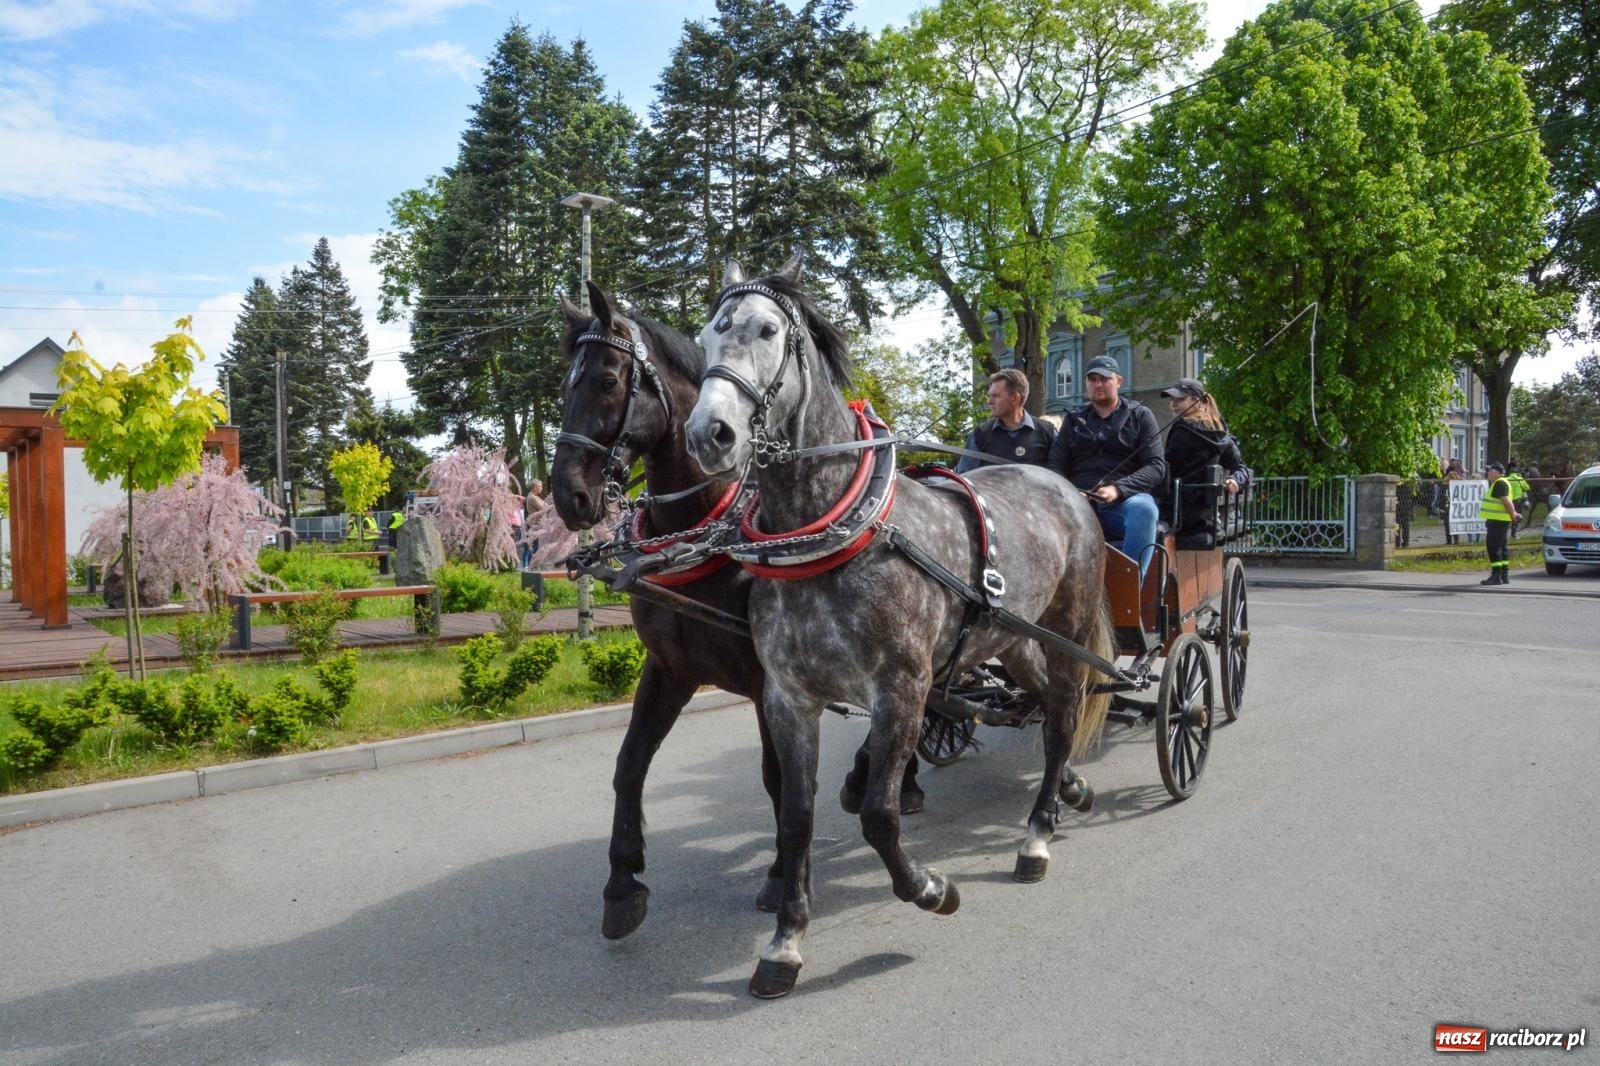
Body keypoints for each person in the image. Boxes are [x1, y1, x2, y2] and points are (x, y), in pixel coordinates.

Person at [1047, 354, 1166, 578]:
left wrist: (1118, 489)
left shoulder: (1140, 416)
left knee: (1145, 510)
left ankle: (1128, 592)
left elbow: (1156, 467)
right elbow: (1055, 466)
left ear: (1118, 381)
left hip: (1123, 504)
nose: (1098, 384)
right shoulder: (1073, 419)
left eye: (1104, 378)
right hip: (1077, 504)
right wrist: (1071, 494)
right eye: (1092, 379)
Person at [1158, 377, 1249, 537]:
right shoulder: (1222, 434)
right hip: (1207, 514)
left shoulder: (1182, 430)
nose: (1174, 404)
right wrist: (1236, 480)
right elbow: (1242, 469)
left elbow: (1166, 470)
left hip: (1179, 513)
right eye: (1173, 400)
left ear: (1198, 401)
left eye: (1180, 399)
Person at [955, 368, 1056, 473]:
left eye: (996, 396)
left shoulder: (1047, 433)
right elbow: (964, 478)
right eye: (990, 396)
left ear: (1015, 398)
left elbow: (1062, 478)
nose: (990, 402)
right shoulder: (980, 435)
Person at [1478, 461, 1516, 584]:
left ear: (1496, 473)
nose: (1487, 472)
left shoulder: (1499, 483)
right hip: (1500, 520)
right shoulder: (1502, 482)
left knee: (1494, 548)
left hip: (1497, 521)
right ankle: (1504, 575)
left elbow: (1506, 501)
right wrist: (1513, 515)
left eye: (1489, 470)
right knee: (1502, 547)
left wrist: (1513, 514)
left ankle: (1496, 576)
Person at [521, 479, 548, 570]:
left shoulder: (536, 497)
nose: (542, 488)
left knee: (536, 546)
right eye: (540, 486)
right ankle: (527, 566)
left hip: (539, 525)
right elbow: (544, 508)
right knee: (532, 546)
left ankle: (532, 566)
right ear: (535, 487)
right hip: (534, 526)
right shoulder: (532, 497)